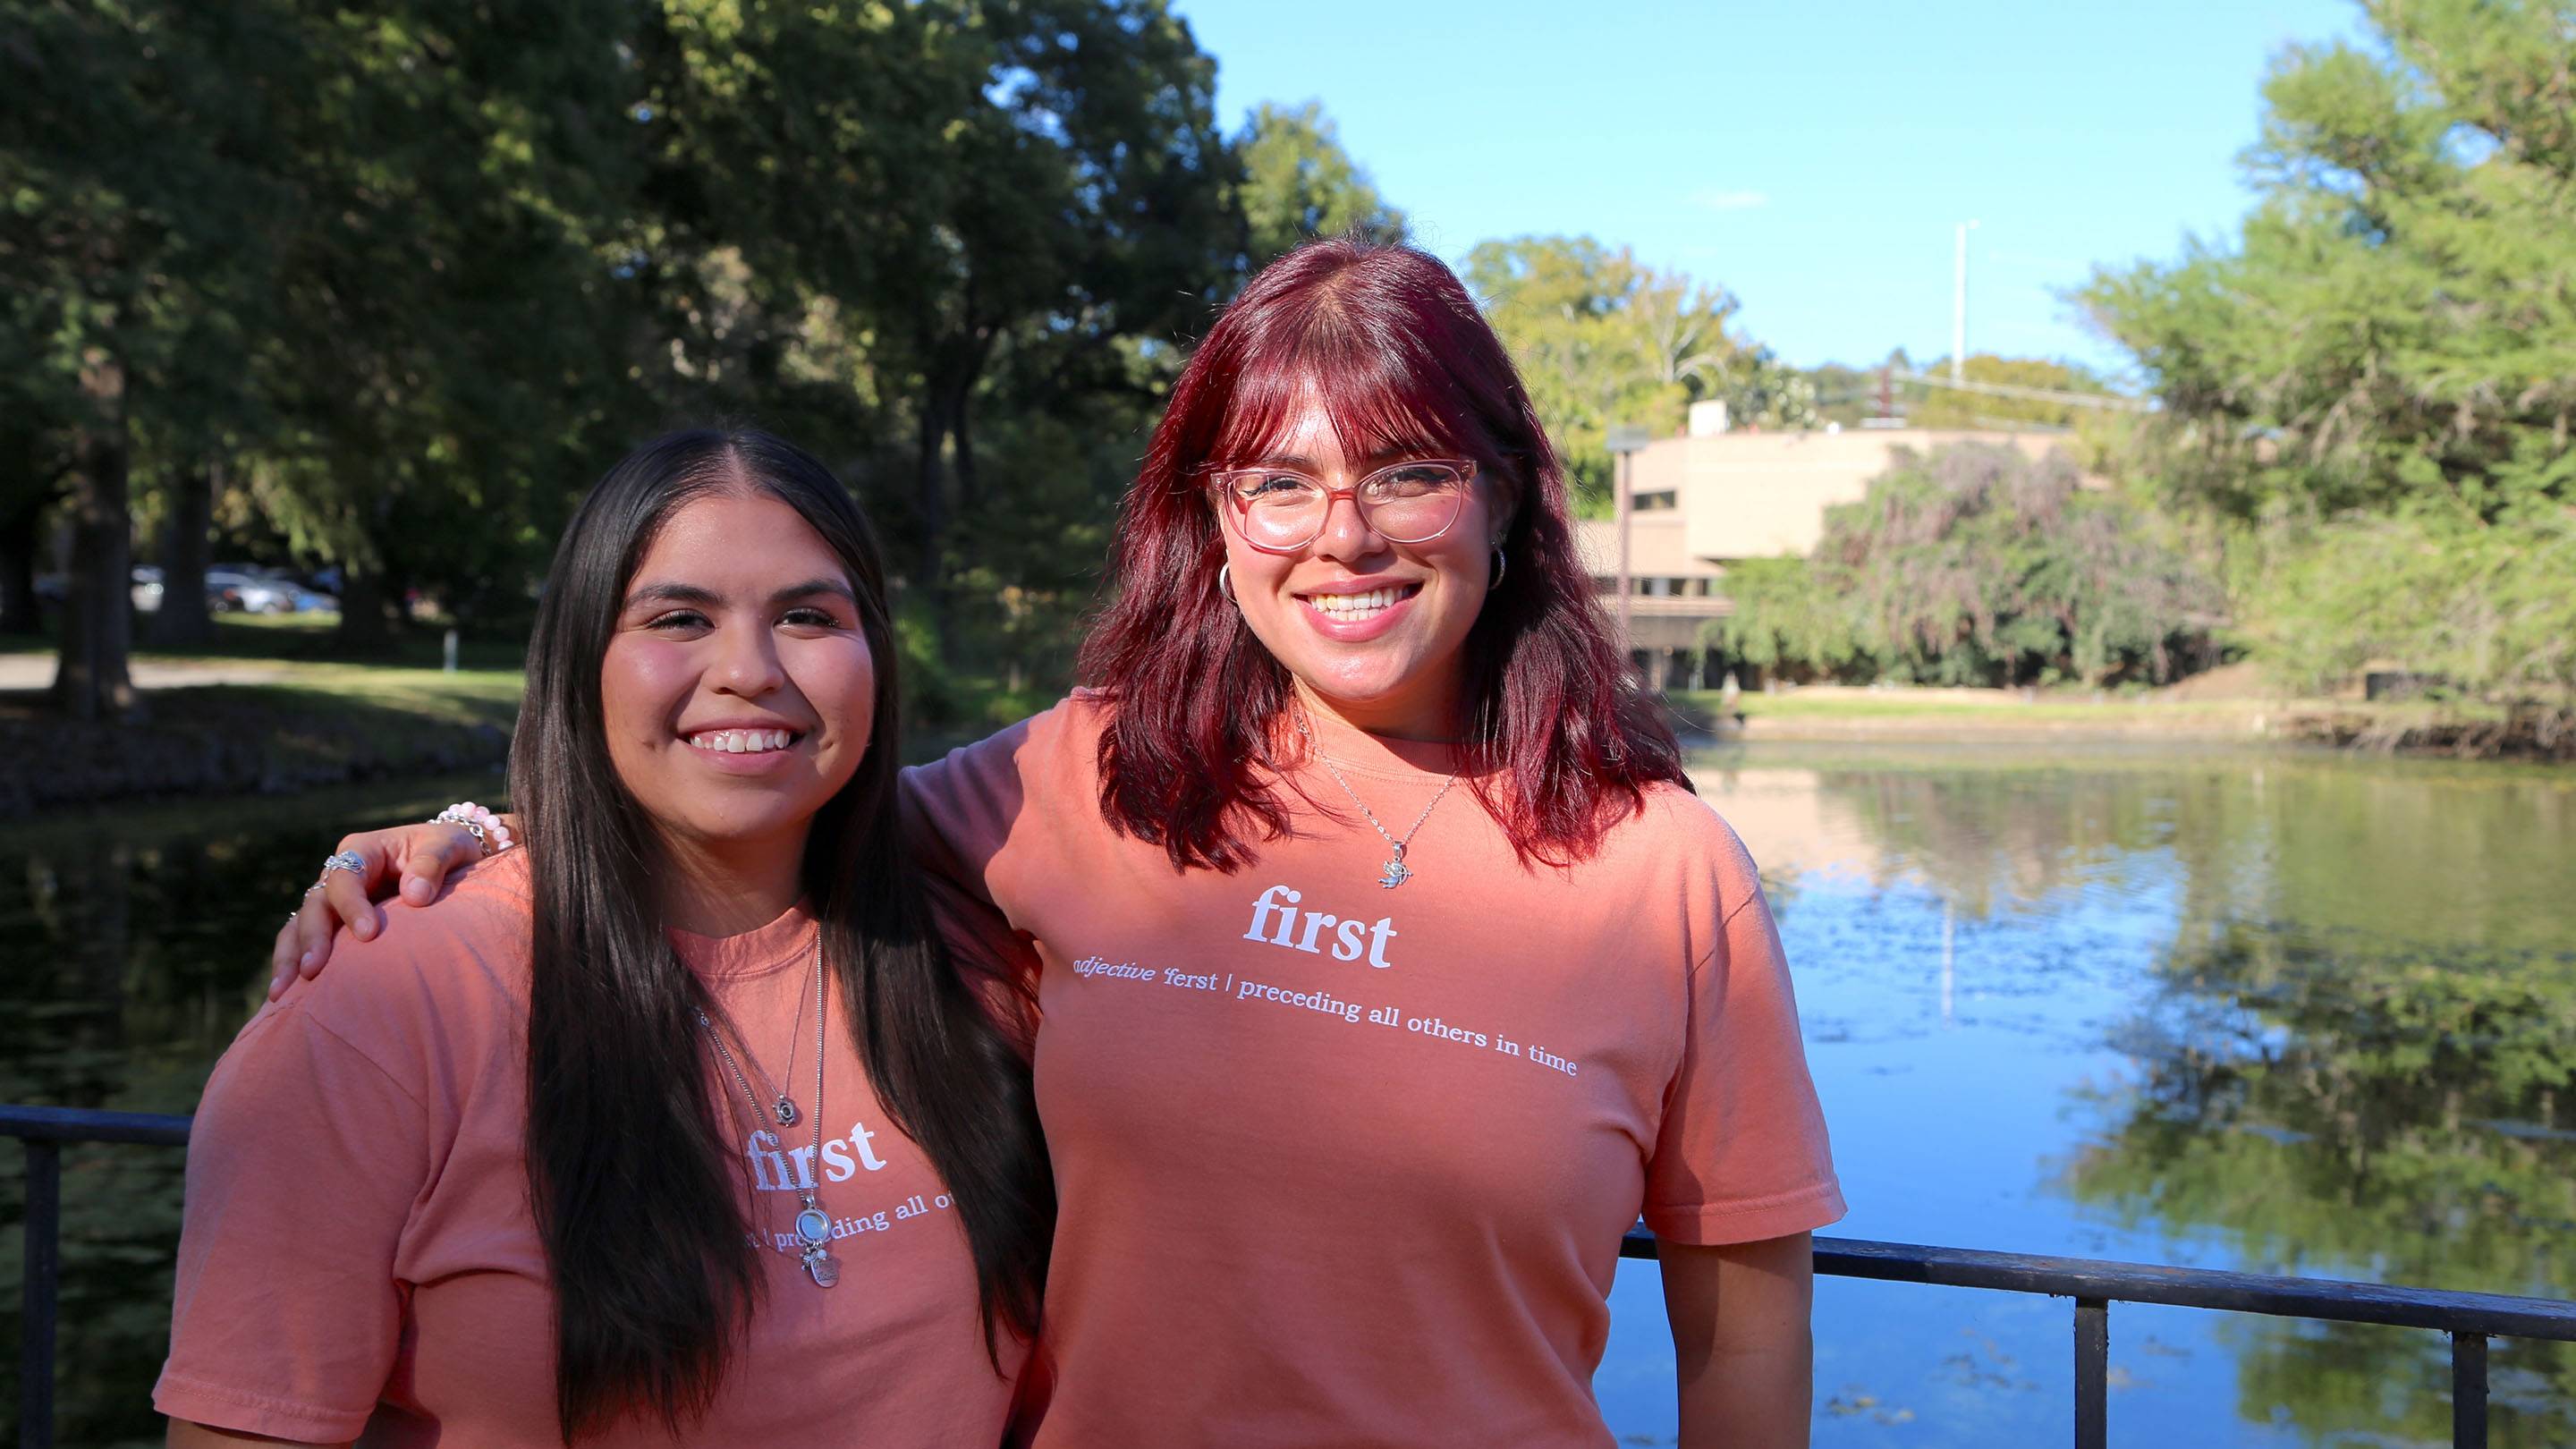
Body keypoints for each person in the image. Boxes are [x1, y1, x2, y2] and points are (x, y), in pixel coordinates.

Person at [276, 238, 1843, 1445]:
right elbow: (749, 795)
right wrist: (483, 833)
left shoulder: (1665, 874)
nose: (1343, 534)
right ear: (1215, 523)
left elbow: (1744, 1339)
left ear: (1503, 502)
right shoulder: (1097, 773)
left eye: (1409, 472)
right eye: (1280, 482)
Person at [164, 430, 1050, 1446]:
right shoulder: (383, 1007)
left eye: (809, 616)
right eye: (679, 617)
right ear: (581, 657)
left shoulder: (985, 968)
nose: (749, 671)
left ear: (877, 659)